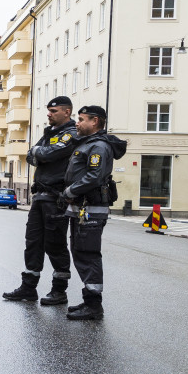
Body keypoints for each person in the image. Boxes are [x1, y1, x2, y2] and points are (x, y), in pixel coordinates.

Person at [3, 96, 77, 305]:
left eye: (53, 111)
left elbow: (49, 154)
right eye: (48, 111)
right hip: (40, 196)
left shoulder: (70, 134)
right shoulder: (49, 133)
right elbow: (32, 155)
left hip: (57, 197)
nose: (49, 114)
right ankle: (28, 288)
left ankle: (59, 291)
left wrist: (40, 153)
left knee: (55, 244)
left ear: (66, 112)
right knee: (33, 243)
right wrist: (40, 153)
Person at [59, 106, 126, 320]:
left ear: (95, 121)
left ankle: (94, 306)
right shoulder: (87, 144)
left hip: (91, 209)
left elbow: (94, 177)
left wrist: (70, 191)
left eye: (81, 119)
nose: (76, 123)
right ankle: (89, 300)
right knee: (80, 253)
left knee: (88, 255)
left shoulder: (98, 146)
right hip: (82, 208)